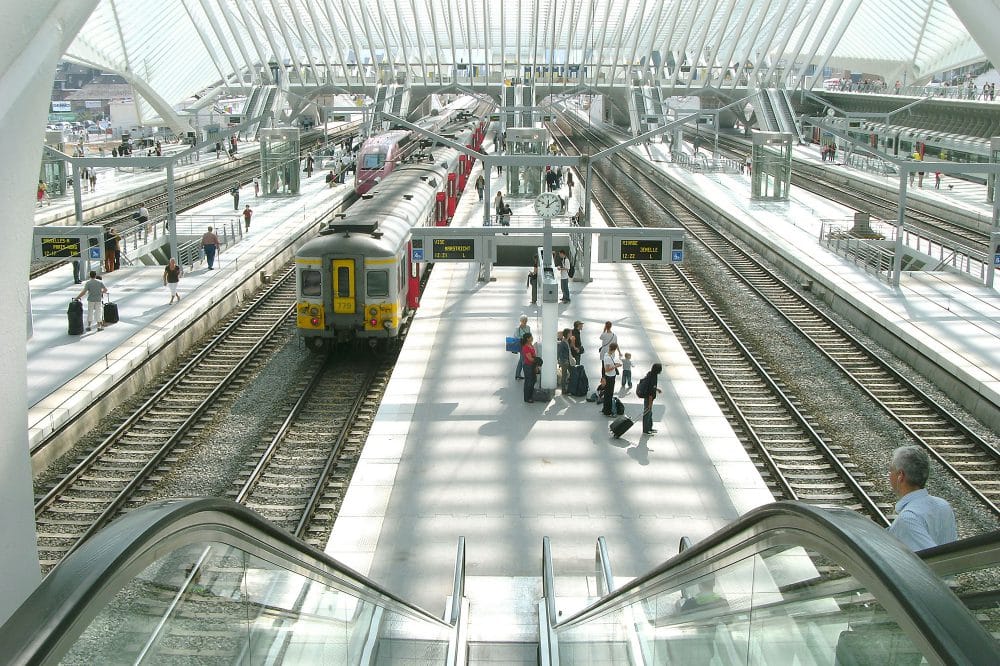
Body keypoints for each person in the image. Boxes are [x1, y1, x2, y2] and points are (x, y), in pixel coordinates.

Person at [886, 445, 957, 551]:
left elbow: (931, 559)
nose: (889, 475)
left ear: (900, 476)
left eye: (891, 470)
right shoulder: (943, 505)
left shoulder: (908, 519)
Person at [637, 363, 663, 434]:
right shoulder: (653, 377)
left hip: (648, 397)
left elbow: (651, 386)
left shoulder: (650, 374)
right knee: (647, 414)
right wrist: (650, 404)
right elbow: (650, 393)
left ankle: (649, 428)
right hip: (648, 398)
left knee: (649, 413)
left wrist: (657, 389)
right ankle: (646, 430)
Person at [601, 342, 621, 416]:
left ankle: (605, 409)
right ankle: (607, 411)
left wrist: (615, 364)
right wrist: (616, 366)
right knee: (609, 394)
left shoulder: (607, 354)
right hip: (610, 378)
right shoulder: (608, 357)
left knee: (607, 394)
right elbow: (607, 369)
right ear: (614, 350)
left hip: (609, 377)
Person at [521, 333, 538, 403]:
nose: (532, 338)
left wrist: (536, 365)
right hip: (528, 366)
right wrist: (537, 360)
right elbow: (530, 358)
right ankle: (527, 398)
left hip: (533, 365)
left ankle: (530, 395)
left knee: (533, 380)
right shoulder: (525, 347)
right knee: (528, 382)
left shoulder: (530, 345)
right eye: (531, 337)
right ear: (527, 339)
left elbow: (534, 355)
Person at [514, 315, 531, 379]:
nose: (525, 322)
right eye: (523, 321)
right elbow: (516, 336)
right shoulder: (517, 328)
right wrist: (523, 338)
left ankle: (517, 374)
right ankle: (526, 375)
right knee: (523, 359)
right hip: (521, 345)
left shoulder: (528, 327)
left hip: (527, 345)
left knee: (521, 360)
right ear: (520, 321)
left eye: (526, 321)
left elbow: (530, 335)